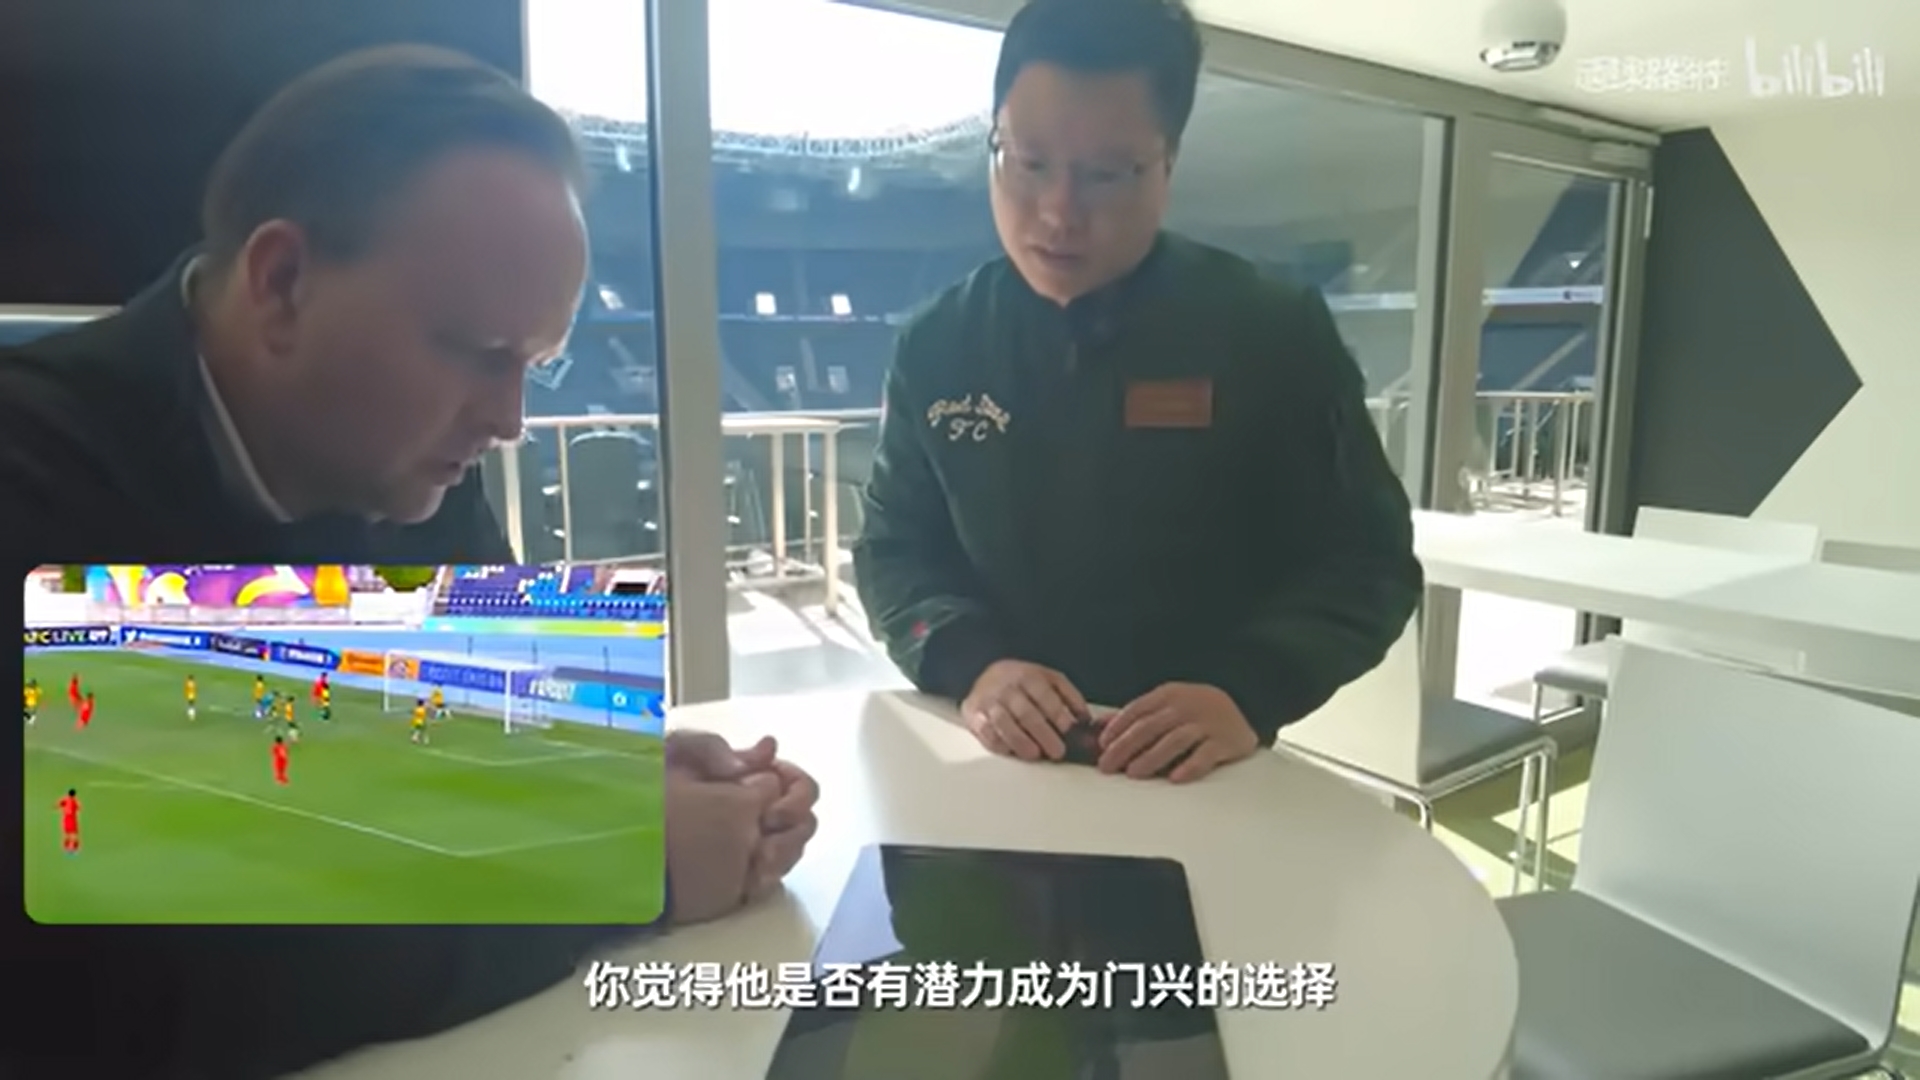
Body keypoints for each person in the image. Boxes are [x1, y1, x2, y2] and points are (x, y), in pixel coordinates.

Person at [1, 45, 820, 1080]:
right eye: (477, 350)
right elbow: (115, 962)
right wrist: (624, 860)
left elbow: (495, 738)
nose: (509, 419)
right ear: (282, 283)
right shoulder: (31, 477)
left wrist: (621, 771)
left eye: (534, 364)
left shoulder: (405, 453)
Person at [852, 0, 1422, 784]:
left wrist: (1247, 690)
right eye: (1029, 163)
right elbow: (894, 549)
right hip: (994, 764)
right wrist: (973, 664)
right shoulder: (938, 342)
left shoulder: (1269, 330)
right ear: (994, 142)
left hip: (1199, 770)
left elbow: (1368, 562)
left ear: (1168, 165)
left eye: (1105, 174)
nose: (1059, 213)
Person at [58, 790, 81, 854]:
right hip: (72, 819)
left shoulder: (64, 799)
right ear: (74, 795)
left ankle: (67, 848)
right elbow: (79, 808)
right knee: (73, 834)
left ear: (68, 794)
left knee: (67, 834)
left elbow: (58, 805)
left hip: (66, 819)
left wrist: (63, 809)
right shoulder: (75, 801)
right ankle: (73, 848)